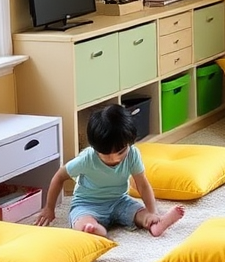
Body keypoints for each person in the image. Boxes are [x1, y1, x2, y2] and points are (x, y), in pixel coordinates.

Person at [37, 102, 184, 237]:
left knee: (140, 213)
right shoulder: (87, 159)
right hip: (87, 204)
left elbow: (142, 184)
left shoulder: (132, 154)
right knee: (82, 221)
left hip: (119, 201)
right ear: (95, 148)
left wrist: (152, 212)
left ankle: (155, 224)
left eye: (121, 152)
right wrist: (49, 208)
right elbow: (59, 177)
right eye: (106, 155)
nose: (115, 159)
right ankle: (93, 229)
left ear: (129, 142)